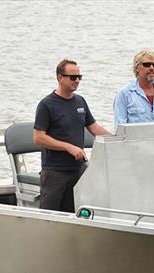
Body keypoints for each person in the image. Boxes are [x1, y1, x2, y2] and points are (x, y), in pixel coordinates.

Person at [34, 59, 111, 212]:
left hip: (77, 170)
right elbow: (38, 137)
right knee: (50, 218)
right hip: (55, 172)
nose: (77, 81)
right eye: (73, 77)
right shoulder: (47, 105)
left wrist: (118, 138)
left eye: (79, 77)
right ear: (60, 78)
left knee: (75, 215)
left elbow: (94, 127)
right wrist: (68, 147)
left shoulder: (80, 101)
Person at [113, 49, 154, 135]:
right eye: (147, 64)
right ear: (137, 68)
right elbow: (120, 130)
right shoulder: (124, 94)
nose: (152, 68)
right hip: (135, 146)